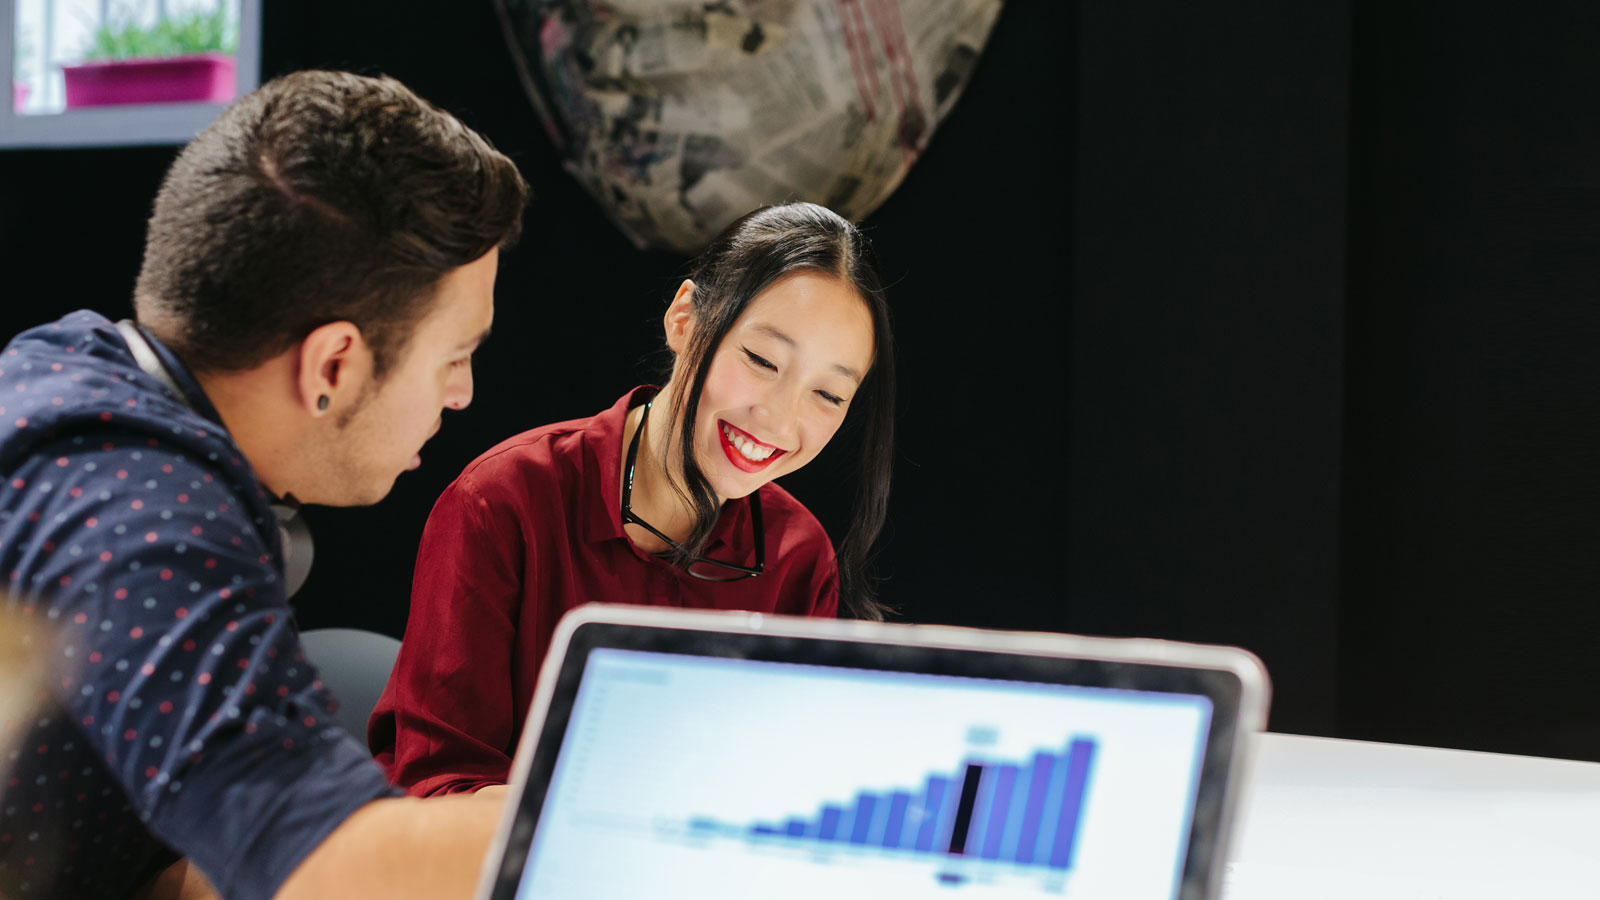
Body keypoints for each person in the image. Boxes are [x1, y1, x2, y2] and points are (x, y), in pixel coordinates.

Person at [0, 70, 527, 900]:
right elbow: (331, 869)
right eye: (455, 356)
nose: (461, 394)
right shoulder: (150, 529)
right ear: (335, 366)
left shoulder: (66, 366)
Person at [370, 201, 897, 797]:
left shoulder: (799, 555)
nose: (779, 418)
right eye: (761, 360)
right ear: (684, 318)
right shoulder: (503, 501)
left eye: (828, 394)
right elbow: (436, 786)